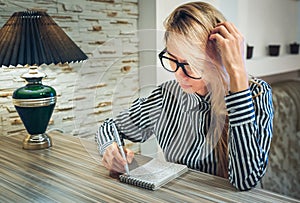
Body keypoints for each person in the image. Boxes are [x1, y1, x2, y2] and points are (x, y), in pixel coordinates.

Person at [95, 1, 273, 191]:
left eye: (190, 64)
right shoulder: (165, 97)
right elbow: (109, 127)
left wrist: (237, 75)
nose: (179, 74)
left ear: (217, 58)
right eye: (173, 60)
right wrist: (110, 150)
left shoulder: (256, 94)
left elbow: (245, 180)